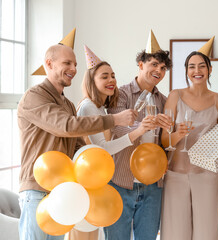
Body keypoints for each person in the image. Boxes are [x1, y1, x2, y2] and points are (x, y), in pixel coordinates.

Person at [17, 44, 135, 240]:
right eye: (67, 63)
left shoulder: (68, 104)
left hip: (61, 191)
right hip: (37, 189)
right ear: (49, 64)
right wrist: (115, 120)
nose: (73, 69)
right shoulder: (34, 96)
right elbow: (65, 126)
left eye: (75, 64)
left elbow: (78, 145)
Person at [68, 46, 155, 240]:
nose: (111, 80)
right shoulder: (89, 107)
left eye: (113, 75)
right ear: (92, 81)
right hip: (89, 184)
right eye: (104, 76)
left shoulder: (100, 108)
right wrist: (138, 132)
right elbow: (102, 150)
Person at [104, 30, 172, 240]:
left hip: (152, 185)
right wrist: (140, 128)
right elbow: (116, 131)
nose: (159, 71)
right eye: (154, 64)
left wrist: (169, 130)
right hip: (121, 181)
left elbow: (165, 143)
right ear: (141, 64)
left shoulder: (164, 100)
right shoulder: (121, 93)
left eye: (163, 68)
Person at [160, 37, 218, 240]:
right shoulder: (175, 96)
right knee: (175, 234)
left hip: (208, 176)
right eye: (191, 67)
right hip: (175, 176)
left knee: (208, 233)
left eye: (201, 66)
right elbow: (164, 141)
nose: (196, 71)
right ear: (186, 71)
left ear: (209, 70)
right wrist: (178, 134)